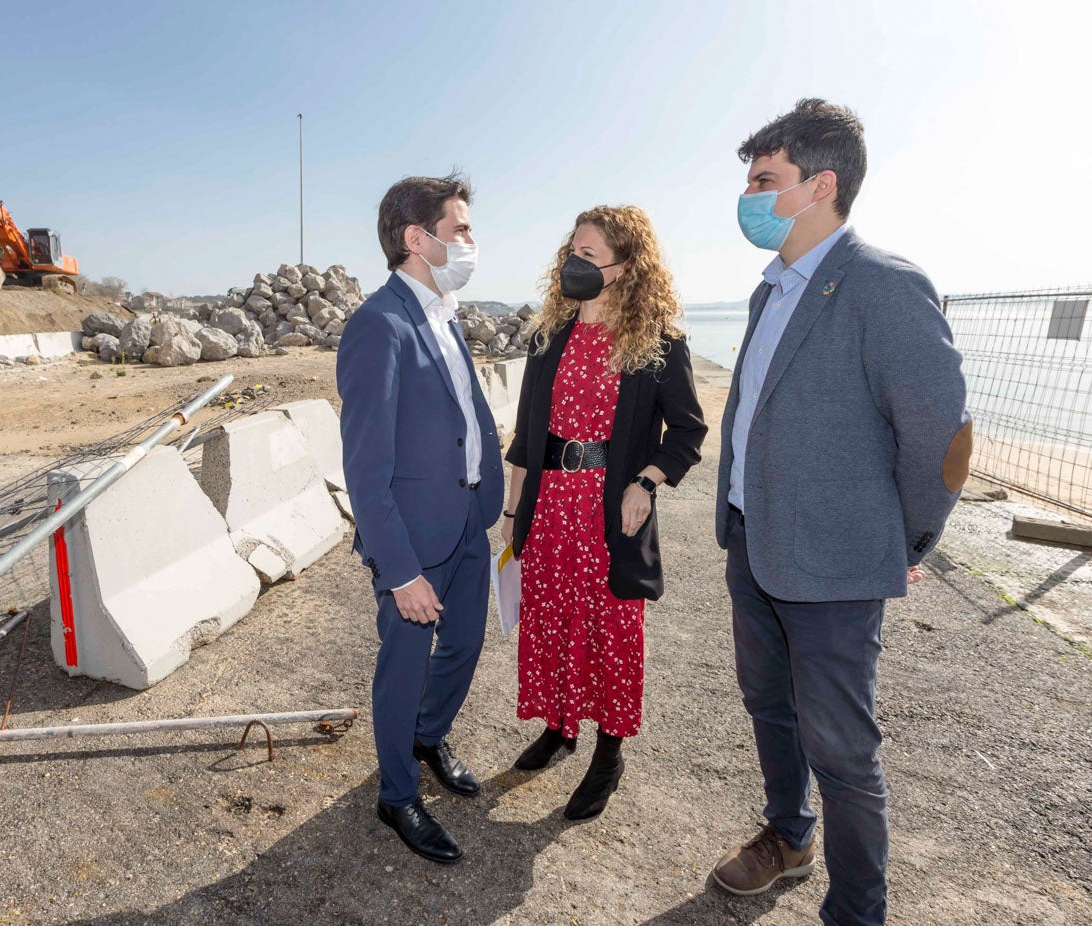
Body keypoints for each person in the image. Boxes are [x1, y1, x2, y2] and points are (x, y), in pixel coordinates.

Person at [710, 99, 972, 926]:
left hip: (834, 562)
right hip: (754, 544)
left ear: (818, 185)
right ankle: (787, 837)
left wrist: (903, 538)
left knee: (843, 753)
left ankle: (856, 911)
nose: (748, 196)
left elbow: (942, 438)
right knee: (767, 705)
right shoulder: (767, 293)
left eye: (764, 180)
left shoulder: (882, 286)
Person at [501, 205, 707, 820]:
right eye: (572, 250)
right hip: (551, 504)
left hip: (609, 512)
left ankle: (607, 754)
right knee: (552, 620)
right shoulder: (549, 336)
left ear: (625, 267)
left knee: (611, 632)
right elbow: (524, 435)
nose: (574, 264)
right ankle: (560, 728)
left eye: (590, 256)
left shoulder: (658, 341)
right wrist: (513, 513)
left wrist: (648, 480)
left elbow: (689, 432)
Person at [336, 173, 504, 864]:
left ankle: (426, 736)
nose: (470, 241)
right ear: (417, 239)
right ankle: (396, 795)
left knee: (463, 647)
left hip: (465, 518)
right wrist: (399, 570)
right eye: (459, 229)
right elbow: (364, 466)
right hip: (413, 539)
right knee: (403, 669)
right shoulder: (378, 324)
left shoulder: (445, 311)